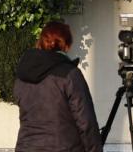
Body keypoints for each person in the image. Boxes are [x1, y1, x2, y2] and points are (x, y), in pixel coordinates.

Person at [14, 20, 101, 152]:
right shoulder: (69, 74)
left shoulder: (23, 74)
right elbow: (86, 122)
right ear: (66, 46)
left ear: (41, 42)